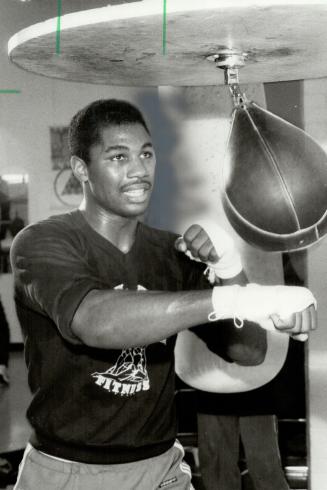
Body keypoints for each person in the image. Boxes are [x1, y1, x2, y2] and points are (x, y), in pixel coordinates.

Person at [10, 99, 317, 490]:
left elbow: (248, 351)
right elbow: (94, 322)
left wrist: (229, 271)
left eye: (146, 154)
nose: (139, 170)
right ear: (80, 170)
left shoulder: (170, 253)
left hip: (161, 469)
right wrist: (242, 298)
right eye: (118, 157)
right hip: (69, 470)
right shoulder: (43, 242)